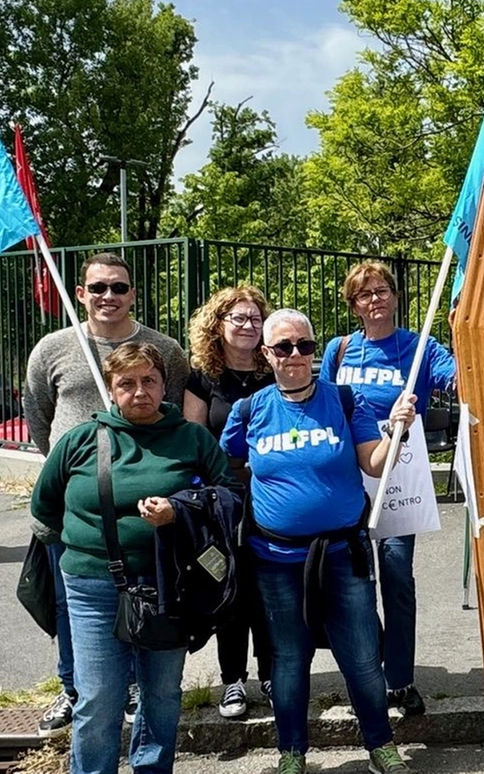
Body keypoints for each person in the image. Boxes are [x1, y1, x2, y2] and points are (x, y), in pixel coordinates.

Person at [226, 309, 418, 774]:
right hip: (274, 559)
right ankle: (292, 752)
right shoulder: (249, 410)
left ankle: (381, 745)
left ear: (315, 350)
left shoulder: (347, 400)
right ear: (266, 354)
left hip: (342, 554)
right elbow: (222, 465)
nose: (296, 355)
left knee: (361, 653)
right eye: (284, 347)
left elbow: (374, 463)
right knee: (289, 659)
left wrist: (396, 430)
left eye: (305, 346)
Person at [29, 342, 235, 774]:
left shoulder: (191, 438)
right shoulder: (81, 440)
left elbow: (230, 497)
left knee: (161, 694)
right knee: (99, 696)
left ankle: (152, 768)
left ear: (164, 386)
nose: (139, 391)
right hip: (91, 587)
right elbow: (45, 507)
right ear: (110, 388)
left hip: (169, 584)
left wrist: (180, 511)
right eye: (127, 383)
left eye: (149, 381)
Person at [23, 253, 189, 736]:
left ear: (133, 293)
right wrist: (70, 470)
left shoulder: (163, 349)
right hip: (76, 509)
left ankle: (134, 685)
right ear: (81, 294)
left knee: (144, 599)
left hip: (144, 510)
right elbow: (38, 414)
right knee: (72, 605)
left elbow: (171, 409)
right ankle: (73, 688)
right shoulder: (53, 348)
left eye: (118, 288)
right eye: (98, 288)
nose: (108, 297)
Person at [319, 261, 456, 717]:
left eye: (381, 291)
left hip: (400, 474)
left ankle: (400, 678)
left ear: (396, 297)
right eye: (364, 294)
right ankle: (368, 668)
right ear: (353, 305)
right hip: (349, 478)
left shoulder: (419, 348)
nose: (374, 299)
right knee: (357, 581)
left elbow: (457, 377)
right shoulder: (339, 352)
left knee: (396, 577)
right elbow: (321, 405)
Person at [182, 285, 277, 719]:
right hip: (224, 498)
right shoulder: (201, 377)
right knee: (230, 588)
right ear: (217, 325)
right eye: (237, 318)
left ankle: (273, 673)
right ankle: (233, 680)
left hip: (273, 494)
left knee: (272, 589)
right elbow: (194, 438)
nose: (247, 326)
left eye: (255, 318)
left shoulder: (276, 370)